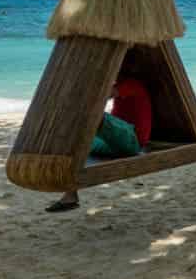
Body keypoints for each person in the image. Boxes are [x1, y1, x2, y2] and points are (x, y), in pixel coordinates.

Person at [46, 65, 152, 213]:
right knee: (76, 143)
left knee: (93, 115)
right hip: (114, 142)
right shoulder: (121, 86)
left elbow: (103, 95)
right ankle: (70, 196)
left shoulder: (132, 84)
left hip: (132, 141)